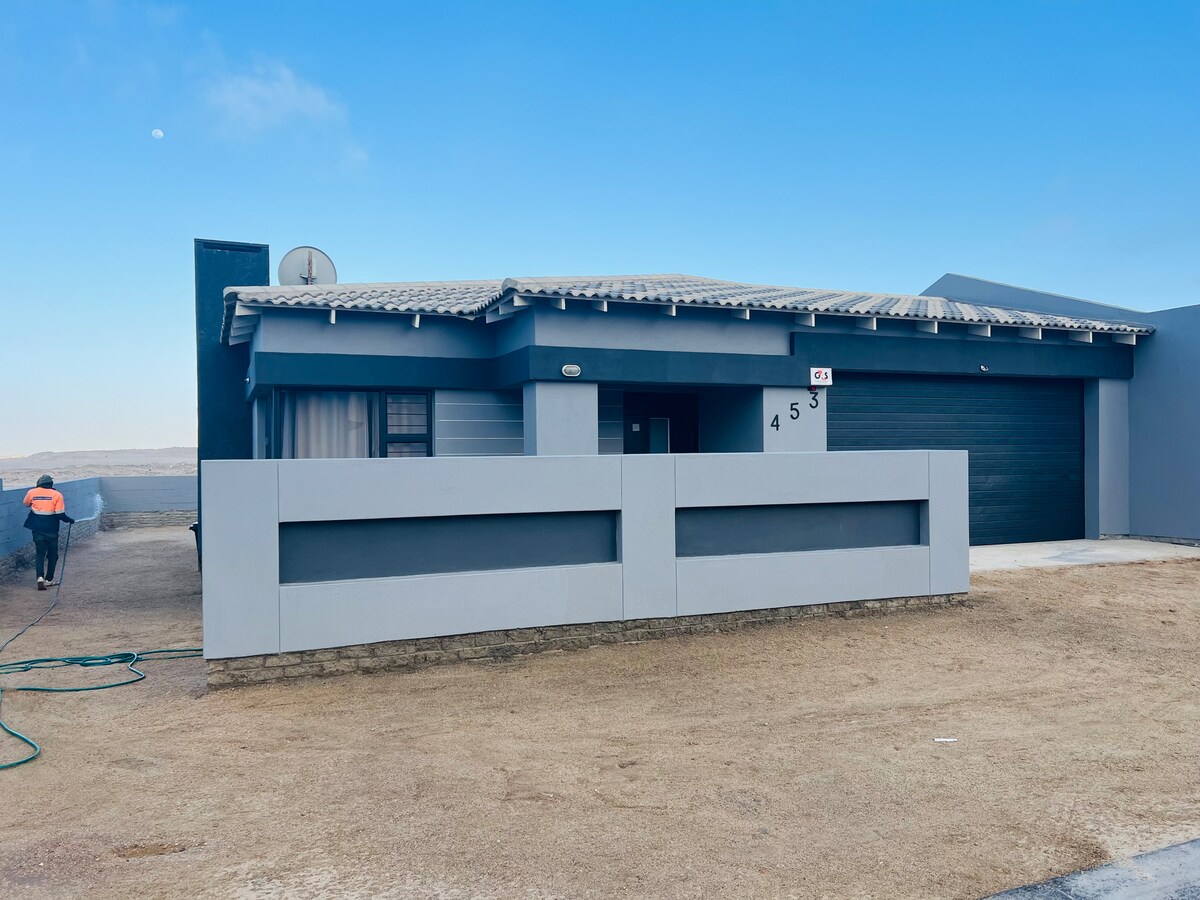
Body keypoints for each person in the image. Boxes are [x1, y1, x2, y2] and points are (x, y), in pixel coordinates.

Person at [23, 474, 75, 590]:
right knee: (53, 555)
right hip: (51, 531)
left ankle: (40, 577)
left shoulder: (32, 492)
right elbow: (60, 514)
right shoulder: (57, 495)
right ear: (51, 484)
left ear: (39, 483)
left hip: (37, 530)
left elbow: (26, 504)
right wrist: (69, 520)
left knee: (40, 554)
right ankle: (48, 579)